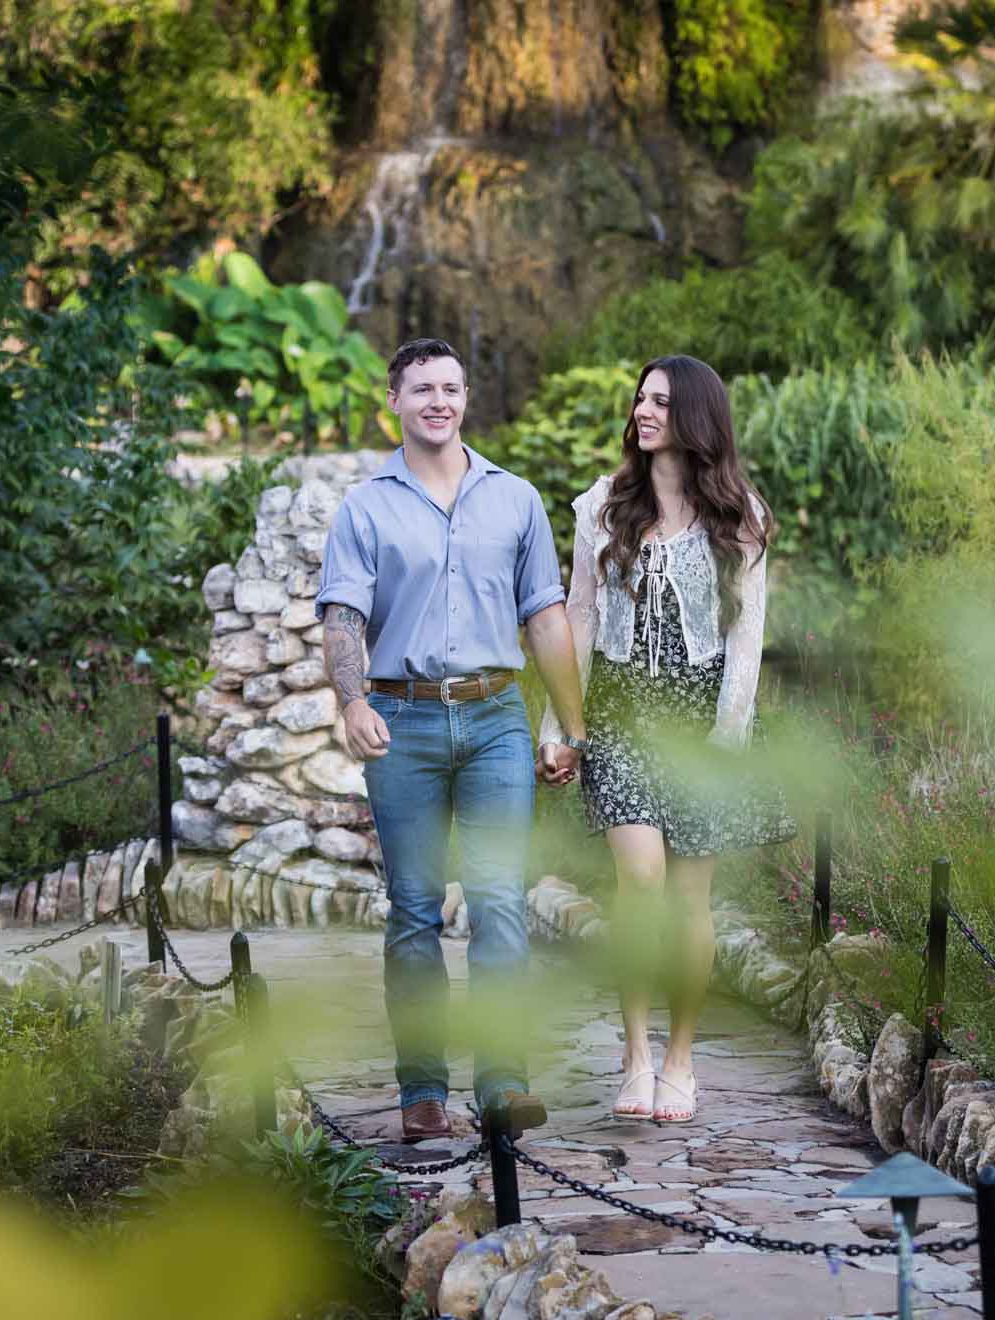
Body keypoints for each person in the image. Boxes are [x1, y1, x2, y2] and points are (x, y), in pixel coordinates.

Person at [317, 337, 590, 1144]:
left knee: (503, 899)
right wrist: (351, 700)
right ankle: (423, 1092)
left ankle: (503, 1084)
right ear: (394, 401)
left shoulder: (517, 500)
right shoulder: (366, 508)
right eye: (423, 388)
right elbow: (343, 616)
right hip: (403, 722)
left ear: (466, 399)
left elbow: (545, 615)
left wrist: (571, 725)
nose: (440, 400)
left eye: (452, 387)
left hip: (497, 716)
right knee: (414, 909)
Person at [537, 354, 795, 1126]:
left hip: (701, 723)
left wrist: (726, 740)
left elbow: (746, 639)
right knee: (640, 882)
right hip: (620, 713)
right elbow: (578, 614)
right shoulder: (601, 507)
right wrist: (559, 724)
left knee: (689, 898)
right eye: (639, 399)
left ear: (695, 417)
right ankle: (639, 1052)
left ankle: (681, 1057)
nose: (642, 411)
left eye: (658, 401)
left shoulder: (740, 517)